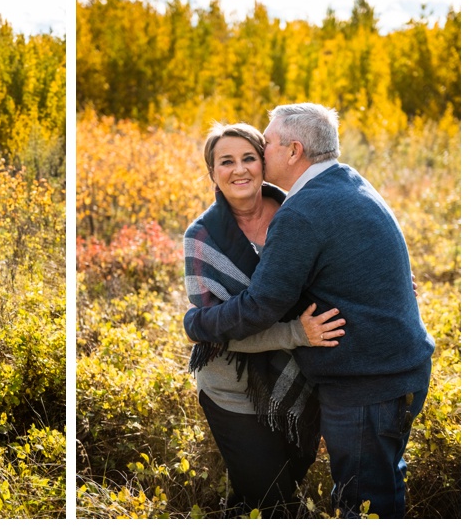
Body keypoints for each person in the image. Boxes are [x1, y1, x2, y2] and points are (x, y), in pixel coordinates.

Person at [184, 104, 435, 518]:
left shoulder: (302, 211)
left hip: (369, 384)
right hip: (394, 371)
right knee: (381, 488)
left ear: (294, 150)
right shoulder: (349, 181)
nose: (259, 154)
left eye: (264, 145)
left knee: (364, 504)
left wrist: (199, 325)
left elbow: (262, 305)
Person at [184, 122, 345, 517]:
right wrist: (295, 333)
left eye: (248, 158)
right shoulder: (202, 238)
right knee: (275, 502)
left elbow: (344, 265)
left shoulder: (299, 213)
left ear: (264, 162)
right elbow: (217, 332)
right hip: (231, 390)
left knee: (263, 493)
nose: (239, 170)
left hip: (302, 378)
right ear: (212, 174)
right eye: (226, 161)